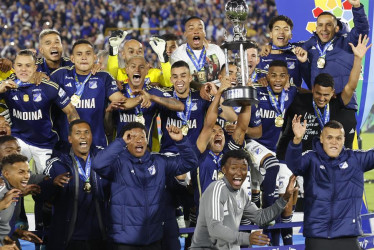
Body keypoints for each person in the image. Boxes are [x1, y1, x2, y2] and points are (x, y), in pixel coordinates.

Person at [91, 122, 198, 249]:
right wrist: (120, 142)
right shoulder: (118, 164)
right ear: (126, 142)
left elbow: (190, 162)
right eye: (132, 137)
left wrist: (181, 141)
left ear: (147, 141)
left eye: (142, 137)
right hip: (124, 242)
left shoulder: (159, 162)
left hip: (153, 240)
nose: (139, 140)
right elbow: (97, 164)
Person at [277, 34, 371, 158]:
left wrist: (358, 58)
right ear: (312, 90)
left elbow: (351, 86)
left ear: (333, 93)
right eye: (318, 93)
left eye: (326, 95)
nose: (321, 98)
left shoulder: (337, 104)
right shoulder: (298, 99)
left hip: (322, 163)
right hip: (295, 160)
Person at [286, 118, 374, 250]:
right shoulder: (311, 159)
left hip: (348, 236)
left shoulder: (355, 160)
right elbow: (294, 164)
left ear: (344, 140)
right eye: (329, 138)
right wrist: (297, 140)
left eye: (338, 138)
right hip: (318, 238)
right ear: (321, 139)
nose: (334, 142)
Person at [190, 149, 298, 249]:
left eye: (243, 168)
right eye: (233, 168)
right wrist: (247, 238)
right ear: (223, 170)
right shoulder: (216, 189)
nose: (239, 172)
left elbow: (261, 217)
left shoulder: (241, 194)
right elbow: (214, 228)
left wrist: (286, 197)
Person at [0, 50, 79, 174]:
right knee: (11, 168)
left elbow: (71, 111)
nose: (23, 69)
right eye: (19, 65)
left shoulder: (49, 87)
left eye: (28, 65)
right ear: (14, 67)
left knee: (48, 180)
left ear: (35, 67)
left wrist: (77, 133)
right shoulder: (7, 86)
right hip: (19, 139)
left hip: (44, 143)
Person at [37, 120, 107, 250]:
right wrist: (52, 184)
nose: (83, 136)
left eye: (87, 132)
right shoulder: (57, 164)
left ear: (92, 136)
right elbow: (39, 193)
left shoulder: (103, 159)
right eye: (78, 133)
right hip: (68, 238)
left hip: (99, 237)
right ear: (70, 139)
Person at [50, 39, 131, 149]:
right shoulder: (59, 76)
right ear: (72, 58)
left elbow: (122, 101)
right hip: (65, 143)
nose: (84, 57)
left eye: (88, 54)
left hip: (97, 143)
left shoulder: (103, 77)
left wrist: (143, 97)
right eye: (79, 54)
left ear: (94, 58)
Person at [301, 0, 369, 111]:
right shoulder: (310, 47)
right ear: (316, 28)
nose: (324, 29)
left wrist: (357, 7)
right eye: (320, 25)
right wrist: (269, 46)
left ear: (336, 28)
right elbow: (284, 47)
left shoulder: (347, 43)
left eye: (329, 25)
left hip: (344, 105)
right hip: (318, 105)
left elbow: (361, 30)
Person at [105, 55, 184, 149]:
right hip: (120, 154)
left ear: (147, 71)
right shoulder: (117, 91)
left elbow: (180, 106)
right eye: (133, 66)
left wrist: (152, 97)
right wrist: (108, 112)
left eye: (141, 67)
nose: (137, 70)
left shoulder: (153, 91)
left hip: (144, 153)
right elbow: (108, 130)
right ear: (126, 70)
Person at [159, 61, 210, 153]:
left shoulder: (201, 96)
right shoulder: (164, 96)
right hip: (168, 155)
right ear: (171, 79)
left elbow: (228, 115)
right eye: (175, 77)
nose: (179, 80)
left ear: (190, 78)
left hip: (193, 156)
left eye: (183, 76)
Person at [0, 154, 42, 247]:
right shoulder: (2, 189)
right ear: (6, 174)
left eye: (28, 171)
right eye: (21, 172)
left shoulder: (13, 191)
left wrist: (17, 232)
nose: (27, 176)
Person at [170, 16, 225, 85]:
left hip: (218, 92)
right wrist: (200, 88)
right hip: (192, 94)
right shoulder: (178, 54)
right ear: (185, 34)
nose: (196, 31)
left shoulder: (216, 49)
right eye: (191, 29)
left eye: (200, 28)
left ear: (204, 33)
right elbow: (180, 80)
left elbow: (226, 72)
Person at [257, 15, 307, 88]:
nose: (281, 32)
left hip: (294, 98)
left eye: (286, 29)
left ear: (291, 35)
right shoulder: (262, 56)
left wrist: (304, 63)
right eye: (277, 29)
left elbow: (310, 81)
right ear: (270, 34)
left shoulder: (298, 55)